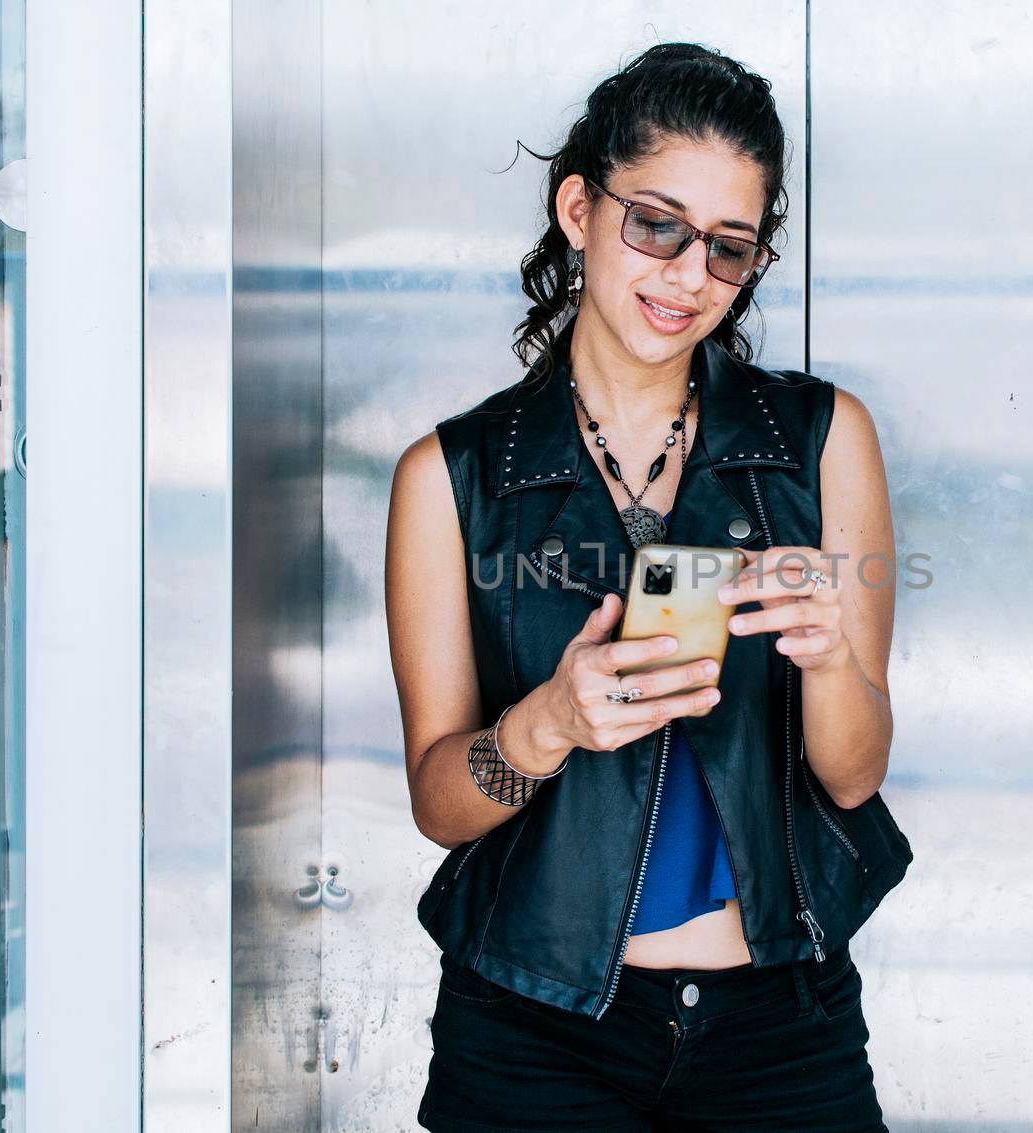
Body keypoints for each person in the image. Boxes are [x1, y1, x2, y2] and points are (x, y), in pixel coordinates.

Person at [385, 41, 913, 1132]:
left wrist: (828, 658)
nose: (686, 277)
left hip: (782, 1021)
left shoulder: (822, 441)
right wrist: (549, 721)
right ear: (579, 207)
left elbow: (852, 778)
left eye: (728, 248)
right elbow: (442, 803)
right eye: (655, 225)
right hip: (532, 1027)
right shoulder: (451, 478)